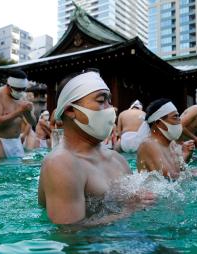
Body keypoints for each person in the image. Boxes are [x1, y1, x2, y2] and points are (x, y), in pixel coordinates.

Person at [38, 71, 154, 225]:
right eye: (101, 101)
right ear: (70, 110)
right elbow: (69, 235)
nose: (111, 109)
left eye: (109, 101)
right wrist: (129, 210)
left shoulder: (117, 159)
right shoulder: (60, 163)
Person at [137, 98, 197, 179]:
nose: (180, 120)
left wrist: (185, 155)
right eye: (175, 117)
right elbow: (170, 178)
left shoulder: (171, 143)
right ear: (159, 123)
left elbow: (178, 172)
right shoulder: (148, 144)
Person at [0, 72, 36, 159]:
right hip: (0, 141)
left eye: (23, 89)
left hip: (16, 141)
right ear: (9, 86)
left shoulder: (22, 98)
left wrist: (27, 112)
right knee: (2, 169)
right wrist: (19, 111)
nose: (21, 92)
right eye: (18, 89)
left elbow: (33, 122)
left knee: (18, 170)